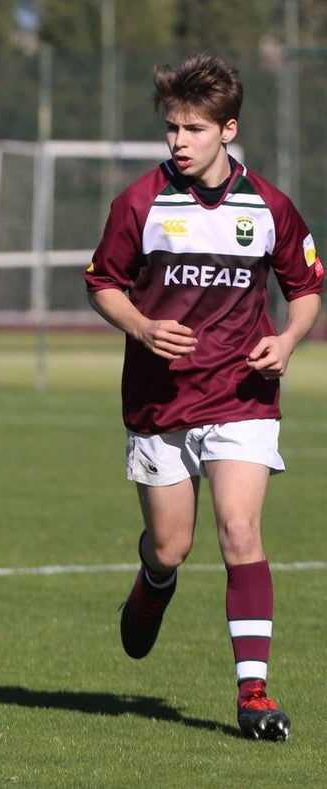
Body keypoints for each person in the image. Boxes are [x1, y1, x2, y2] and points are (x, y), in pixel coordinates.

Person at [85, 53, 322, 742]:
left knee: (240, 531)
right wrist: (140, 324)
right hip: (159, 401)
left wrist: (288, 340)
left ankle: (253, 691)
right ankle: (153, 580)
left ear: (229, 129)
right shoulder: (139, 202)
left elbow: (306, 288)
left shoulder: (269, 205)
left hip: (243, 394)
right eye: (171, 129)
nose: (178, 141)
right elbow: (102, 281)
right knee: (172, 543)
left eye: (193, 129)